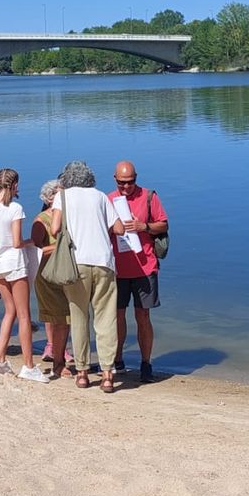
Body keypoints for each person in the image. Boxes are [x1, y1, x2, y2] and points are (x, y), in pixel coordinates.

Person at [54, 160, 124, 392]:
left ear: (66, 178)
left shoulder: (62, 197)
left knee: (79, 316)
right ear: (89, 178)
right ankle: (107, 374)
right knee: (106, 319)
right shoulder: (101, 196)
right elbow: (120, 229)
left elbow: (54, 229)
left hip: (76, 263)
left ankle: (82, 373)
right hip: (104, 261)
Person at [0, 168, 48, 382]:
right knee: (23, 314)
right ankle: (29, 365)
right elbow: (17, 241)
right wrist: (34, 242)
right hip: (14, 264)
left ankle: (0, 359)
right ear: (12, 186)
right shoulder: (15, 209)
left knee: (9, 311)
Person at [109, 160, 168, 384]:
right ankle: (118, 360)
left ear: (136, 178)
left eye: (131, 182)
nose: (126, 187)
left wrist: (144, 226)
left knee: (143, 316)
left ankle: (146, 363)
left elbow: (163, 224)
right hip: (117, 269)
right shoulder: (108, 199)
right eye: (122, 183)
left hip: (145, 267)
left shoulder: (149, 197)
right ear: (115, 179)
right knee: (117, 316)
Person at [31, 179, 74, 380]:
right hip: (49, 276)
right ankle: (58, 364)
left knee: (68, 320)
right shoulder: (41, 220)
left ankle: (63, 358)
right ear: (50, 199)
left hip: (68, 274)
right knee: (60, 321)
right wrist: (60, 247)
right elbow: (36, 248)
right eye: (60, 195)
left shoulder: (70, 217)